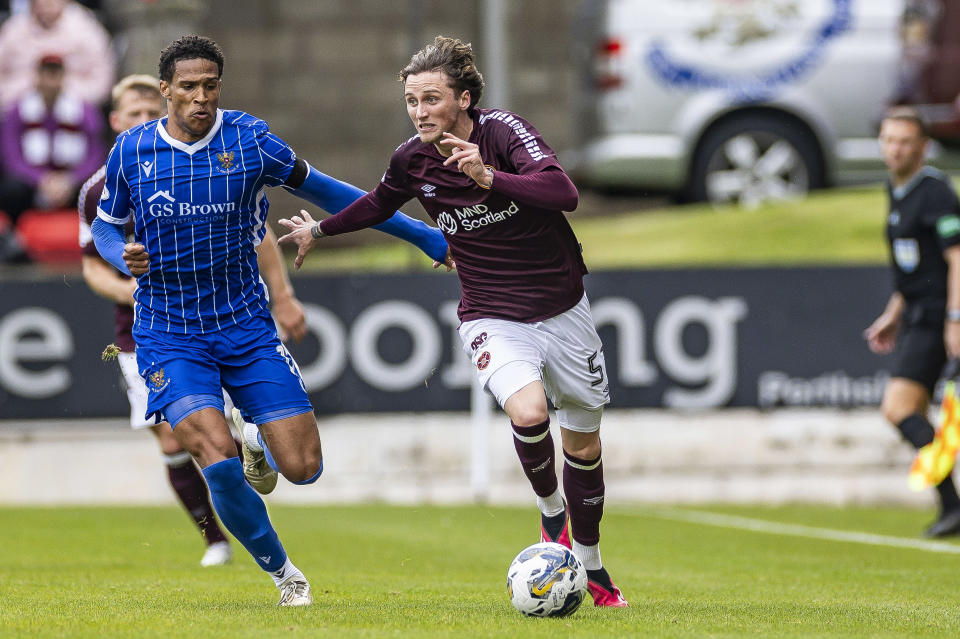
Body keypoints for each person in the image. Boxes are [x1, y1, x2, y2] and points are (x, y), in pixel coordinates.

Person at [91, 35, 449, 606]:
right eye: (188, 87)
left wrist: (428, 236)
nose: (201, 98)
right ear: (165, 91)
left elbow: (336, 193)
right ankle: (287, 577)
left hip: (245, 326)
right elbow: (107, 227)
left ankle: (257, 437)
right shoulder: (132, 151)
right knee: (215, 458)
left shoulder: (251, 140)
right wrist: (122, 256)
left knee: (303, 468)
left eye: (211, 85)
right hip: (167, 331)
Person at [278, 35, 628, 608]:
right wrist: (318, 230)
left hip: (564, 309)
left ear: (464, 100)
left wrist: (492, 179)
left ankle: (589, 562)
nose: (419, 112)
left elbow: (563, 192)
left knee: (584, 448)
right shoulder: (411, 158)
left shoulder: (505, 133)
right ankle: (550, 514)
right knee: (529, 410)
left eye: (431, 99)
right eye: (412, 101)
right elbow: (378, 203)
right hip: (490, 311)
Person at [78, 74, 307, 567]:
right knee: (184, 439)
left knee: (292, 461)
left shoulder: (214, 156)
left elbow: (256, 229)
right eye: (132, 116)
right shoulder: (102, 183)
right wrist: (132, 279)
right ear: (117, 123)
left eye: (147, 113)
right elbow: (92, 263)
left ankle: (252, 437)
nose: (143, 123)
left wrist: (282, 294)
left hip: (229, 318)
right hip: (153, 330)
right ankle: (218, 541)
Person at [864, 105, 960, 538]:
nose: (895, 149)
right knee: (916, 413)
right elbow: (915, 269)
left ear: (923, 147)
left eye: (905, 141)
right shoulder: (897, 189)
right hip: (916, 314)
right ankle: (952, 508)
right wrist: (891, 314)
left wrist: (955, 319)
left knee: (898, 409)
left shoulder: (936, 192)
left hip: (938, 317)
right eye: (889, 140)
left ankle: (954, 503)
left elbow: (956, 259)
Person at [0, 53, 104, 218]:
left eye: (56, 72)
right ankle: (12, 236)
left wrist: (70, 180)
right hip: (31, 184)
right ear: (37, 75)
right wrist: (41, 179)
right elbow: (11, 156)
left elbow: (95, 154)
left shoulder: (84, 109)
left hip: (71, 183)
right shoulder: (17, 110)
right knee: (11, 190)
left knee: (97, 192)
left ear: (64, 76)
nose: (51, 78)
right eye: (47, 72)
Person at [0, 0, 115, 109]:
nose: (47, 4)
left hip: (77, 111)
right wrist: (31, 88)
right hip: (18, 109)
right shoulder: (13, 29)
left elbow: (102, 84)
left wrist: (63, 89)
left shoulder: (87, 29)